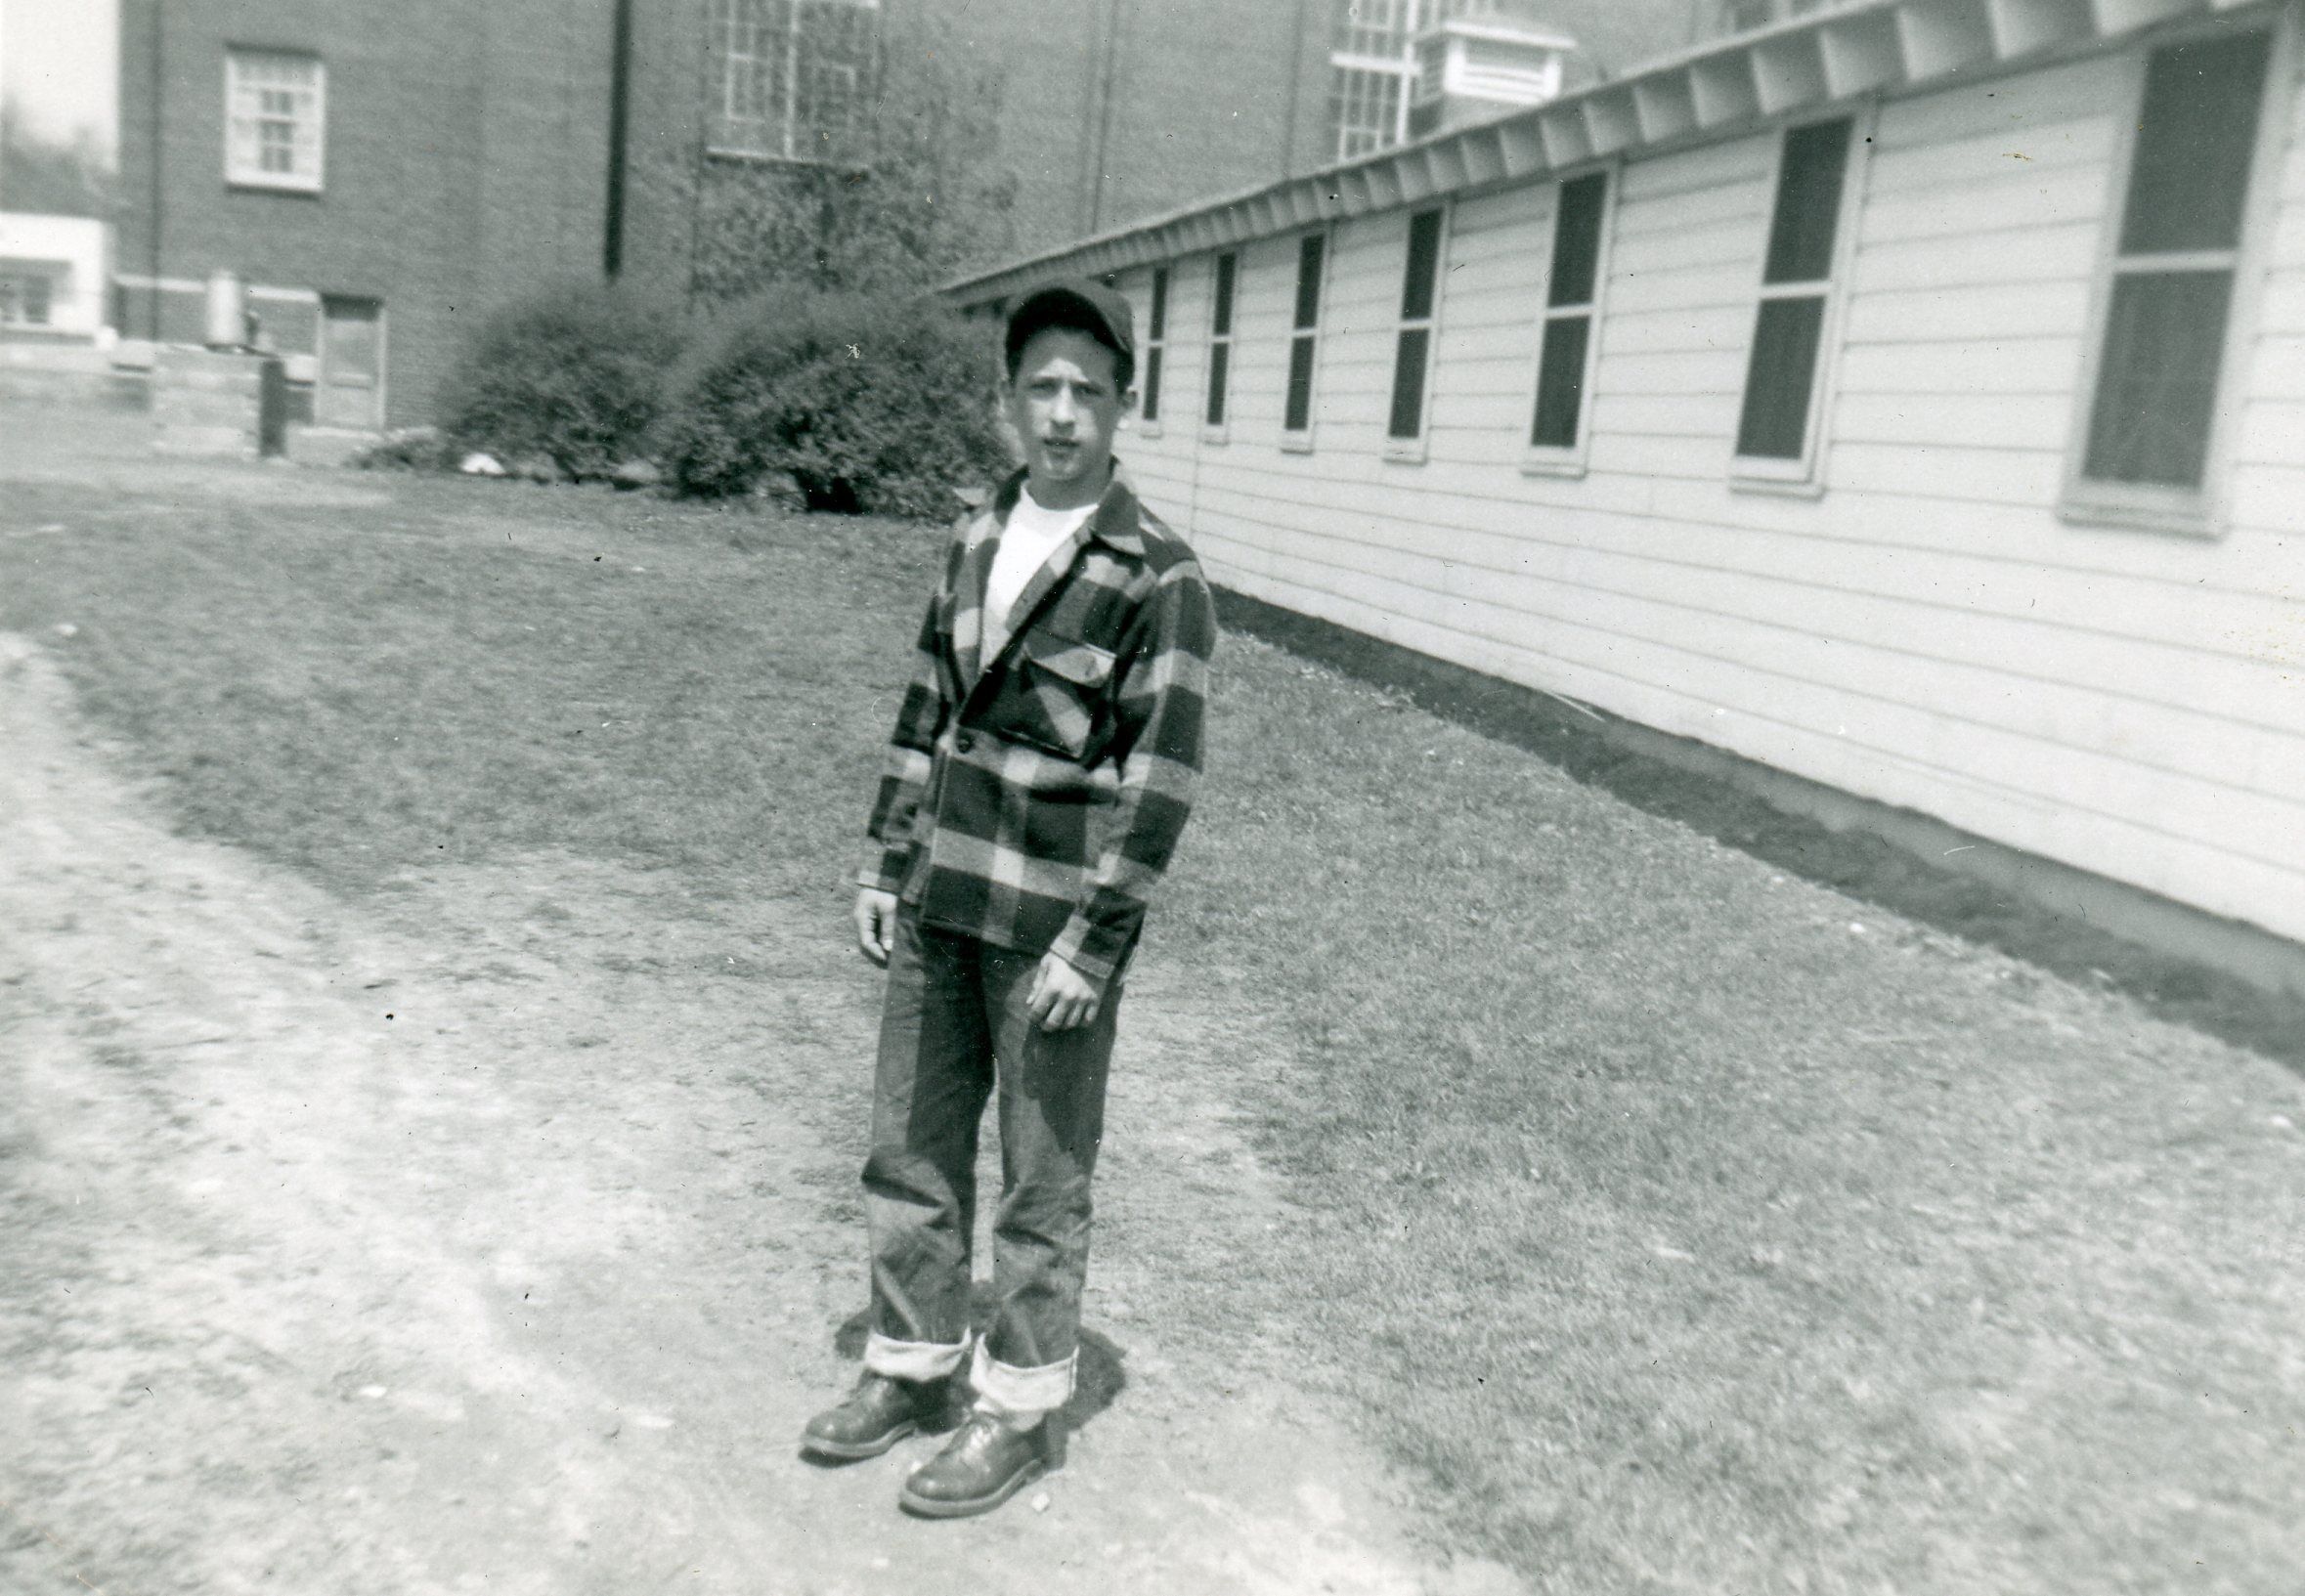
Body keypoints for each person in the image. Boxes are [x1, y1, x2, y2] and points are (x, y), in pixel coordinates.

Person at [800, 280, 1218, 1519]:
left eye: (1089, 389)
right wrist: (883, 861)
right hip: (942, 898)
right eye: (1042, 386)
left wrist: (1095, 945)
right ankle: (911, 1361)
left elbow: (1161, 779)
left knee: (1043, 1177)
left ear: (1125, 404)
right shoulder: (976, 535)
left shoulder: (1159, 574)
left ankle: (1019, 1408)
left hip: (1048, 934)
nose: (1064, 412)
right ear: (1008, 401)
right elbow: (925, 708)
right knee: (911, 1149)